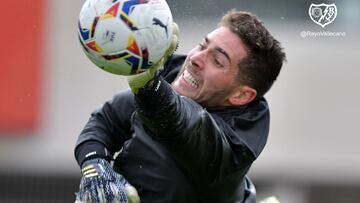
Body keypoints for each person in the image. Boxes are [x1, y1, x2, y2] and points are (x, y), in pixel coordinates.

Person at [74, 9, 286, 203]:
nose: (195, 58)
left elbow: (184, 123)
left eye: (217, 61)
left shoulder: (234, 149)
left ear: (241, 95)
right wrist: (96, 165)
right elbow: (107, 120)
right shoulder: (170, 78)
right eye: (203, 45)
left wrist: (150, 87)